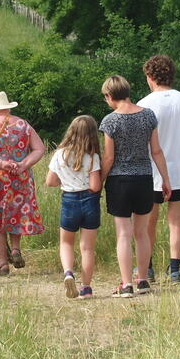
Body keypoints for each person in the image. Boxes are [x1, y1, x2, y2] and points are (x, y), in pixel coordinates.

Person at [99, 75, 172, 297]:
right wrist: (166, 180)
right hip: (144, 178)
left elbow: (109, 158)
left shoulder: (110, 121)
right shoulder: (148, 116)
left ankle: (125, 283)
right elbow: (156, 151)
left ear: (109, 96)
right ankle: (142, 280)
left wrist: (99, 180)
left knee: (123, 234)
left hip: (119, 181)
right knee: (141, 233)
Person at [138, 55, 180, 284]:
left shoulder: (144, 104)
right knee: (176, 220)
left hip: (153, 171)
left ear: (150, 77)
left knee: (149, 220)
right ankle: (175, 268)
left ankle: (147, 267)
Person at [0, 91, 46, 276]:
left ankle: (2, 263)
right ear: (7, 106)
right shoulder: (22, 124)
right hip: (20, 178)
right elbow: (40, 149)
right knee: (16, 214)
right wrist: (23, 165)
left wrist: (1, 163)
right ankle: (15, 249)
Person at [45, 115, 103, 299]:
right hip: (89, 202)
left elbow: (50, 181)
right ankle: (86, 288)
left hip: (69, 200)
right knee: (87, 248)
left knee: (66, 242)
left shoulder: (59, 154)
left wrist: (66, 178)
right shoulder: (92, 156)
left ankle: (68, 273)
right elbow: (95, 186)